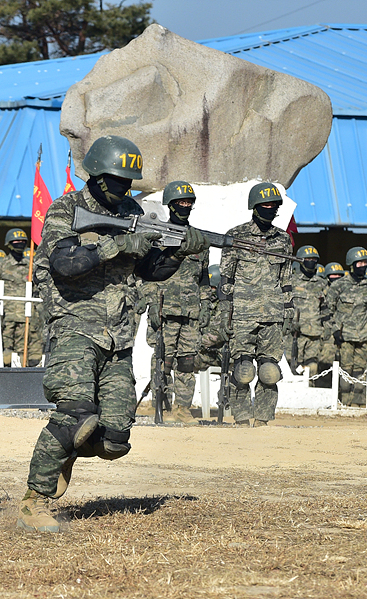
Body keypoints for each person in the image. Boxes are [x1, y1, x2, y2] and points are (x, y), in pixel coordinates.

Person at [16, 135, 209, 532]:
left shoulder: (132, 210)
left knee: (114, 440)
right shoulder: (66, 210)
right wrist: (118, 244)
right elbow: (65, 264)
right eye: (116, 181)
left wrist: (178, 249)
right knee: (74, 412)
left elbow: (149, 270)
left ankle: (67, 449)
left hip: (118, 333)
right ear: (96, 174)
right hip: (73, 326)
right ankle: (34, 500)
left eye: (128, 183)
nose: (123, 189)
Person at [217, 182, 293, 427]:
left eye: (274, 206)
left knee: (269, 372)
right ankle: (240, 419)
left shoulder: (283, 239)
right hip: (241, 315)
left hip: (273, 315)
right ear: (255, 207)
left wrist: (288, 312)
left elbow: (286, 280)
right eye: (265, 205)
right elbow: (225, 279)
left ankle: (262, 421)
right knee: (243, 371)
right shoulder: (236, 236)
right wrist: (225, 314)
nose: (270, 209)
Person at [141, 181, 210, 424]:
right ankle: (159, 404)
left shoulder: (199, 240)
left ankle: (182, 408)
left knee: (188, 362)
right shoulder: (156, 236)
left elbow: (203, 279)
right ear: (170, 205)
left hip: (191, 312)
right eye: (180, 202)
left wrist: (206, 309)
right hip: (164, 310)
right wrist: (150, 305)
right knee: (163, 360)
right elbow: (147, 274)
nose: (185, 206)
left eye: (188, 202)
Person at [324, 247, 367, 407]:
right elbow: (327, 311)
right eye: (360, 263)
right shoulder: (339, 286)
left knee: (361, 372)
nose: (363, 266)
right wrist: (334, 331)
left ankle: (358, 403)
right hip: (345, 336)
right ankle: (344, 403)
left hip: (363, 336)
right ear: (352, 264)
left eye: (365, 263)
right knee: (346, 372)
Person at [0, 228, 39, 365]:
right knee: (4, 351)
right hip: (6, 317)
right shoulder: (0, 266)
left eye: (23, 241)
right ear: (9, 243)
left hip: (26, 316)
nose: (20, 244)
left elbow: (38, 289)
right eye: (16, 241)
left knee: (24, 351)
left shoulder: (31, 266)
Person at [288, 245, 327, 380]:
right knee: (293, 367)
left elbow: (326, 308)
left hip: (314, 333)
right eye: (308, 259)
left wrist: (326, 328)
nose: (311, 262)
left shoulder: (322, 283)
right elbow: (282, 305)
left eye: (314, 259)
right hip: (294, 334)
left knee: (312, 368)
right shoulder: (291, 282)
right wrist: (289, 322)